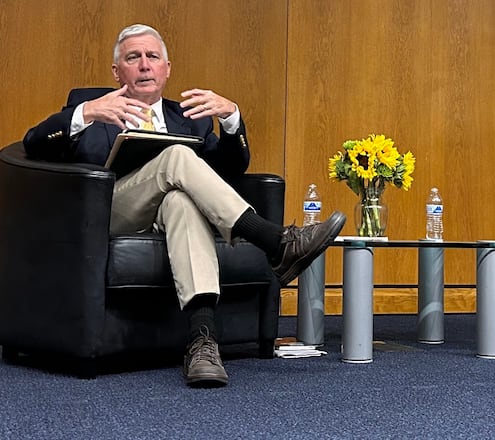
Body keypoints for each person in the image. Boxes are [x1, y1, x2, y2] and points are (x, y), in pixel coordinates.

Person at [22, 24, 346, 387]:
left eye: (152, 57)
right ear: (117, 71)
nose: (144, 65)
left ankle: (202, 342)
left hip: (166, 215)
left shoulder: (188, 117)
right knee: (176, 155)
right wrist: (85, 113)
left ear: (167, 69)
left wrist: (231, 118)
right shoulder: (91, 106)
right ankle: (275, 242)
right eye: (133, 57)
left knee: (181, 202)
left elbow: (227, 171)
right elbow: (33, 144)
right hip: (111, 213)